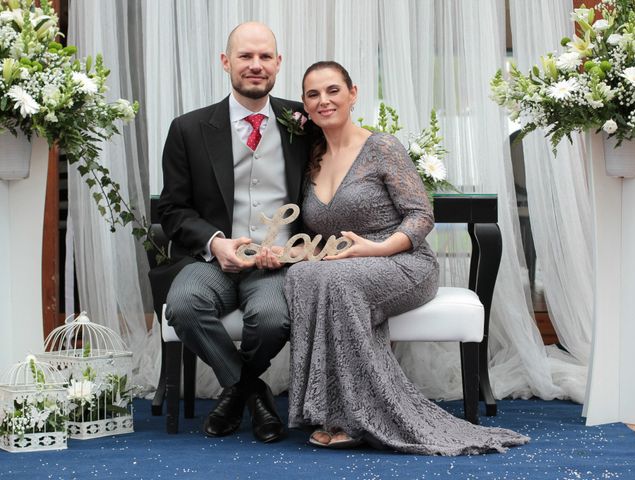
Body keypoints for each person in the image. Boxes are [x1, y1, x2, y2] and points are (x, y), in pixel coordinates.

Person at [283, 61, 530, 454]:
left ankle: (357, 415)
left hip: (403, 261)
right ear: (305, 104)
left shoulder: (381, 147)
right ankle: (329, 409)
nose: (323, 100)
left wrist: (377, 248)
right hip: (346, 265)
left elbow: (421, 215)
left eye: (332, 90)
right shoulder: (309, 156)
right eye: (313, 94)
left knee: (335, 280)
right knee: (302, 277)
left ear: (353, 93)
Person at [157, 22, 309, 443]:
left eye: (265, 57)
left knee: (275, 318)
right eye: (245, 56)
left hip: (277, 262)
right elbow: (171, 209)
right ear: (226, 63)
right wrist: (214, 242)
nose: (255, 65)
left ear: (278, 64)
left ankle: (236, 391)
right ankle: (251, 390)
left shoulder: (304, 121)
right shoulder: (188, 129)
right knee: (183, 305)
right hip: (214, 260)